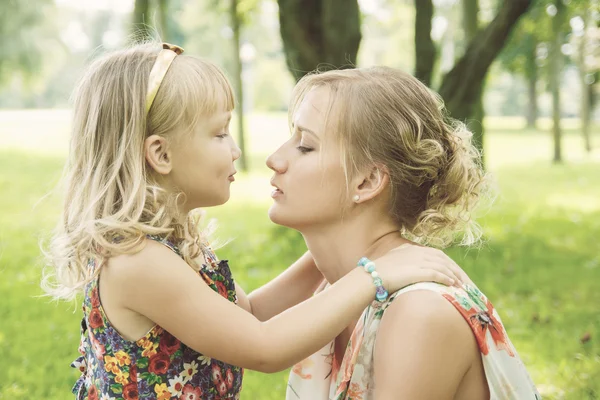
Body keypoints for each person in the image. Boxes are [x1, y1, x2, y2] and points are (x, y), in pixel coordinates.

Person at [41, 43, 463, 399]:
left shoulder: (170, 245)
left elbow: (252, 314)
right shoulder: (138, 263)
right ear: (161, 154)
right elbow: (264, 346)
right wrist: (373, 273)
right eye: (220, 133)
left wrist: (344, 251)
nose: (238, 150)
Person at [268, 66, 541, 400]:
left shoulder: (419, 312)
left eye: (306, 146)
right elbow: (241, 327)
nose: (274, 159)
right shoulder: (337, 286)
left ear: (367, 182)